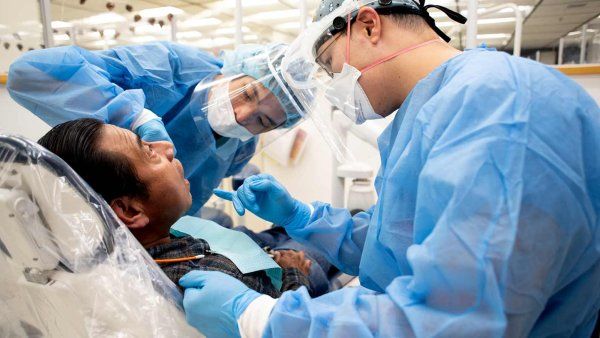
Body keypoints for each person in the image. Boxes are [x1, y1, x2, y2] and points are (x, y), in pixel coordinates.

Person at [178, 0, 600, 337]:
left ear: (367, 26)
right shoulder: (435, 110)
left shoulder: (499, 104)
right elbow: (396, 242)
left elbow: (461, 317)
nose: (333, 85)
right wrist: (300, 217)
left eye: (329, 66)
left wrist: (265, 320)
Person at [7, 42, 302, 215]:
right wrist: (131, 116)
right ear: (234, 70)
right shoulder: (169, 69)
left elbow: (180, 211)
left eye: (263, 121)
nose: (242, 115)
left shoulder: (239, 148)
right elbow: (29, 73)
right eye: (246, 94)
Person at [37, 118, 313, 298]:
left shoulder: (144, 250)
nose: (167, 148)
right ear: (132, 212)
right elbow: (288, 324)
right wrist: (294, 272)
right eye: (147, 150)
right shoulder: (203, 283)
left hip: (258, 254)